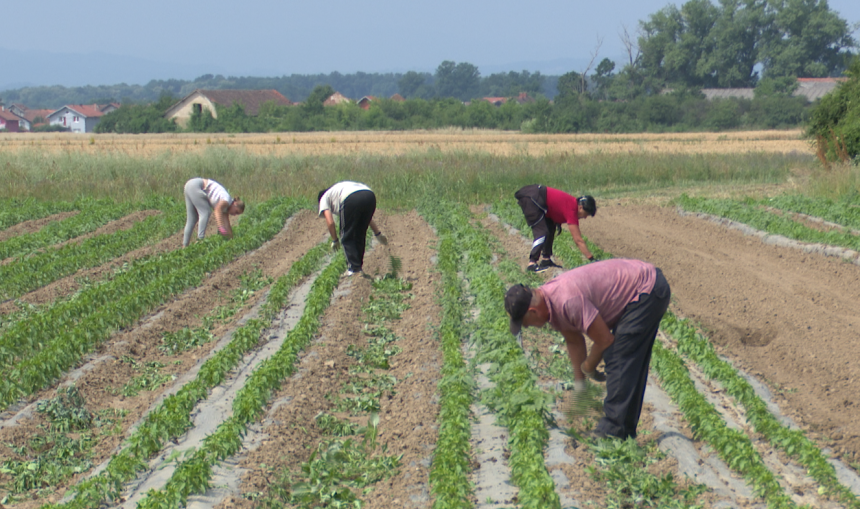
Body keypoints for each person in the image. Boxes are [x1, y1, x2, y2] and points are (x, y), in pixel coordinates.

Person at [504, 258, 670, 440]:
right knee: (625, 358)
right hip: (640, 287)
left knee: (618, 355)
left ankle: (614, 431)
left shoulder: (567, 300)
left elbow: (605, 340)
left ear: (533, 311)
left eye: (526, 323)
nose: (527, 327)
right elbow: (574, 340)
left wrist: (589, 366)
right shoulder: (549, 303)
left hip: (647, 289)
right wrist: (580, 385)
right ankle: (623, 429)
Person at [513, 185, 596, 272]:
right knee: (542, 231)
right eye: (586, 213)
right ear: (580, 207)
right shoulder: (572, 209)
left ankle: (546, 259)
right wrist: (591, 258)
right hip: (532, 198)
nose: (585, 217)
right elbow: (578, 240)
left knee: (550, 228)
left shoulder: (571, 203)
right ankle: (532, 264)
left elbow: (555, 209)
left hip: (535, 197)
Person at [318, 181, 387, 276]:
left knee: (346, 236)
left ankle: (354, 269)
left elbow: (330, 222)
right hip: (370, 195)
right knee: (360, 233)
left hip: (351, 198)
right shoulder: (337, 191)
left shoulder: (324, 198)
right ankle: (358, 268)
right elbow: (367, 218)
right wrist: (377, 233)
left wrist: (335, 240)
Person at [183, 178, 244, 248]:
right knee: (205, 212)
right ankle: (200, 240)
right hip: (196, 185)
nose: (234, 214)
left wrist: (231, 241)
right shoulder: (226, 200)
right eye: (236, 212)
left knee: (192, 219)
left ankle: (184, 246)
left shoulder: (226, 208)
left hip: (189, 185)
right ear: (235, 204)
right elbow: (217, 210)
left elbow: (227, 225)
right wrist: (220, 226)